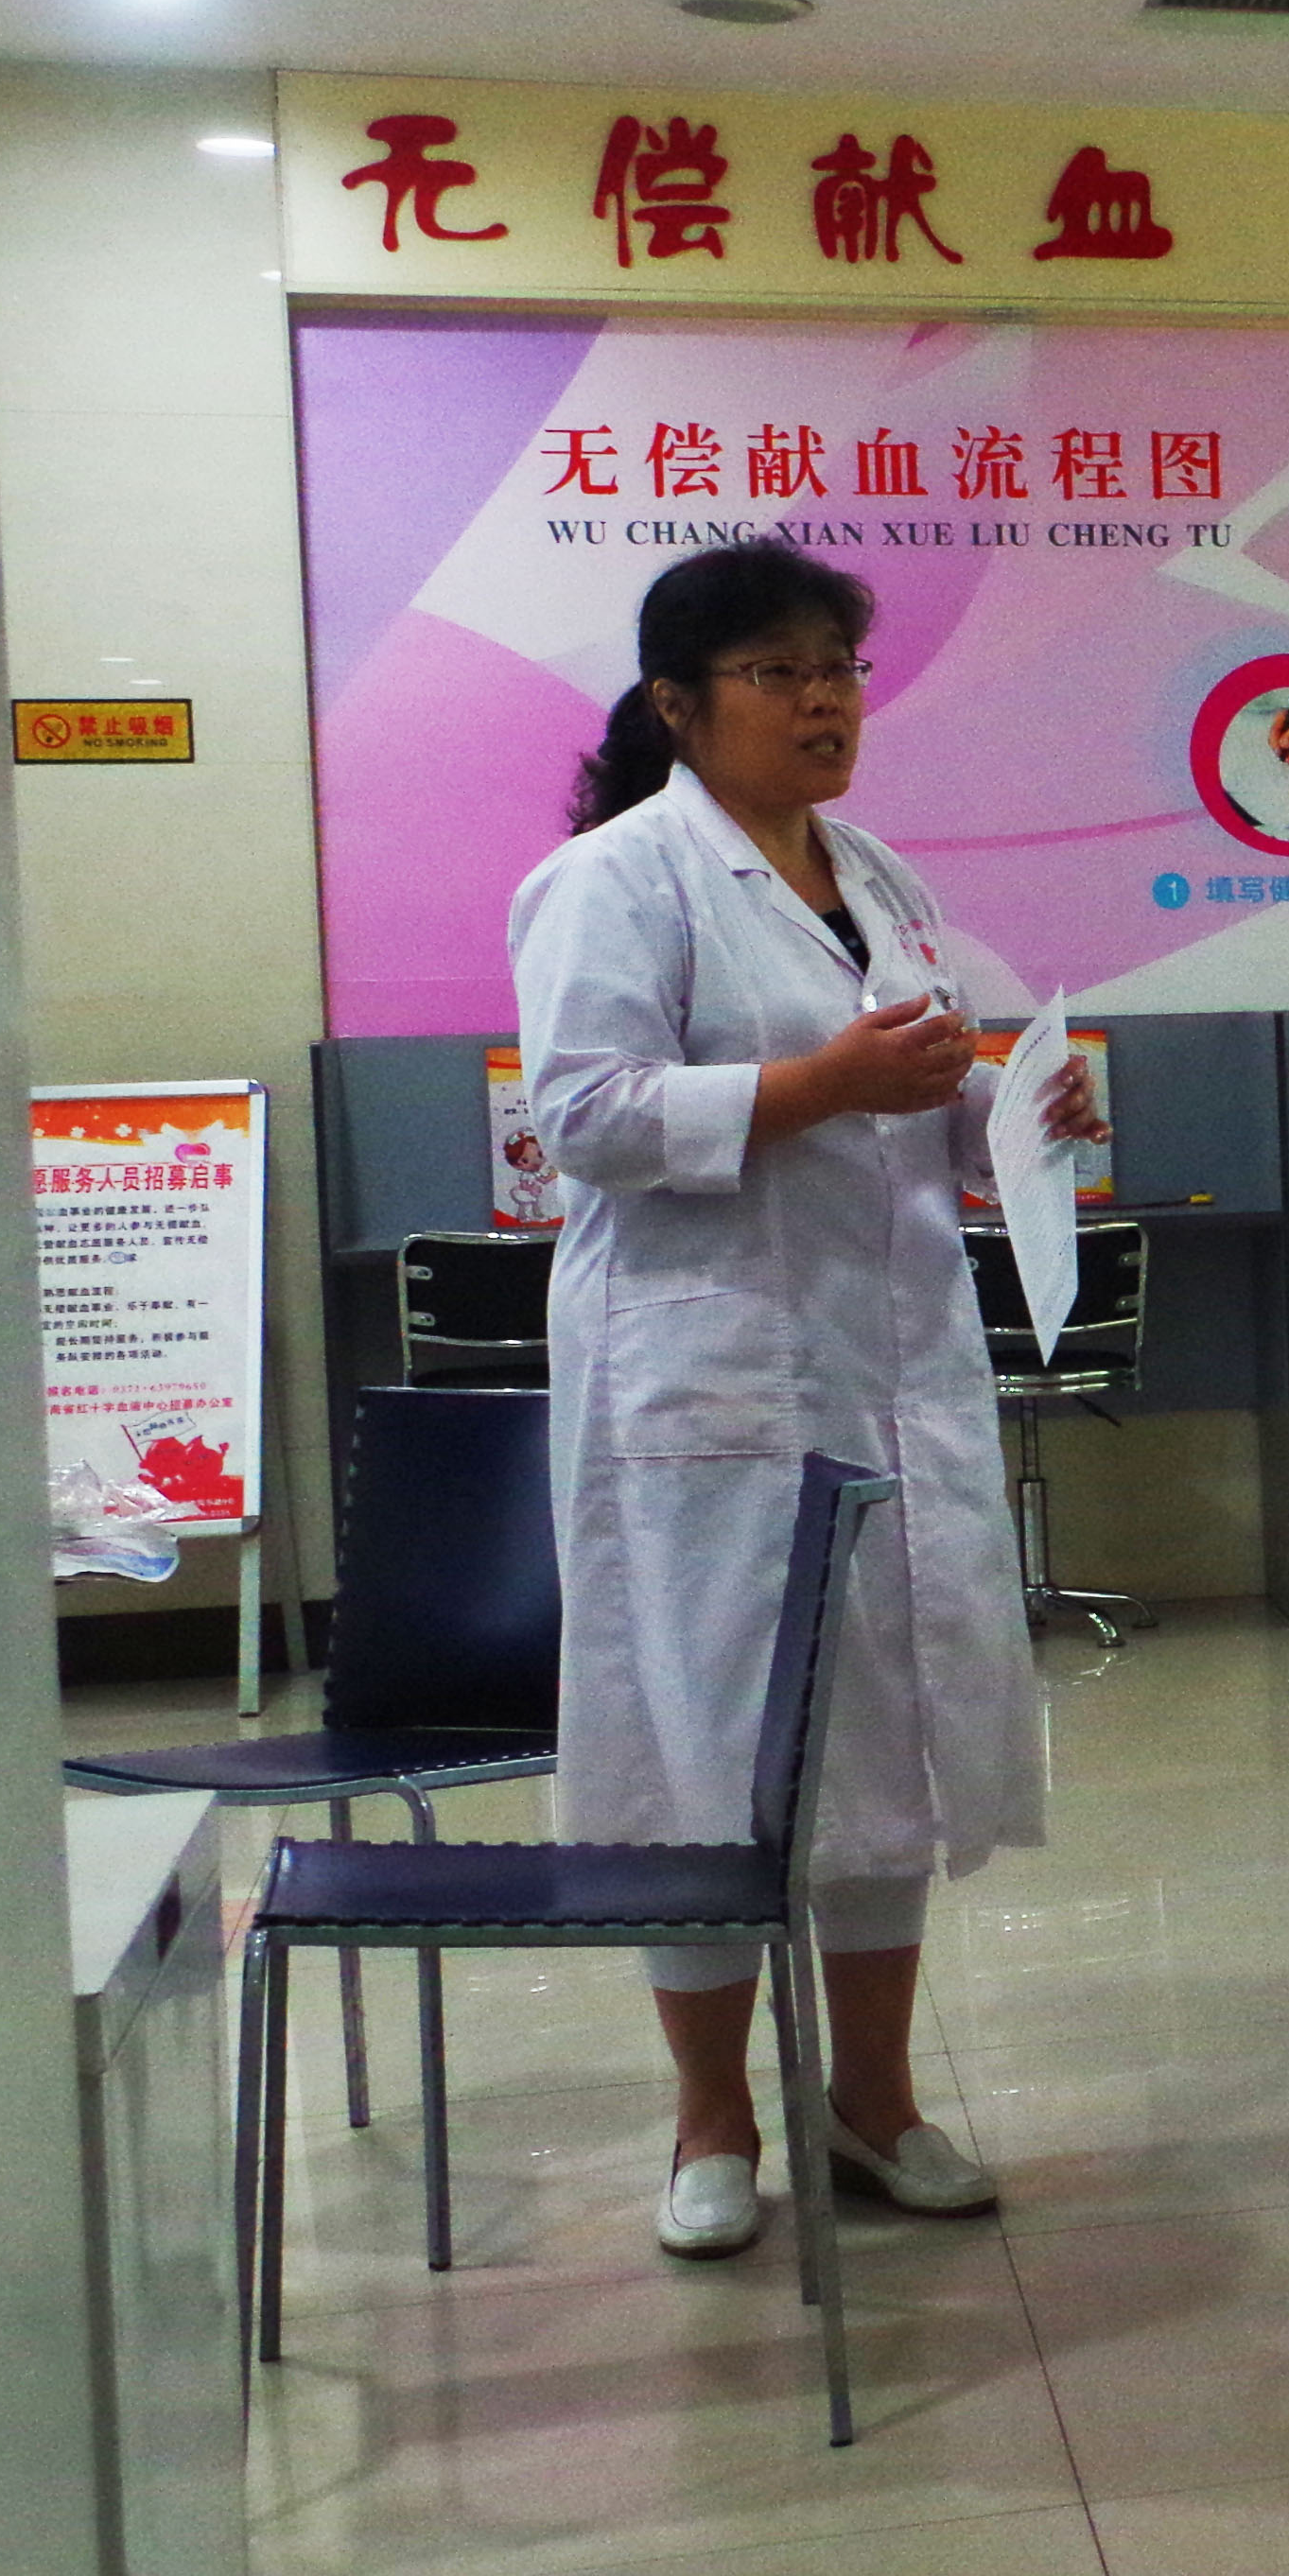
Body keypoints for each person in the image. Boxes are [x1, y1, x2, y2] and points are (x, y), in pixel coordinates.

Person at [509, 539, 1092, 2261]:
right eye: (779, 672)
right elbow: (584, 1117)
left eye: (838, 668)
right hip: (705, 1378)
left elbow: (912, 1094)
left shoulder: (881, 879)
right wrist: (821, 1083)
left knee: (880, 1737)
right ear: (680, 704)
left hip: (888, 1362)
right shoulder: (615, 880)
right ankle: (711, 2120)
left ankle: (874, 2103)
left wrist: (1002, 1111)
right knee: (699, 1746)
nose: (825, 701)